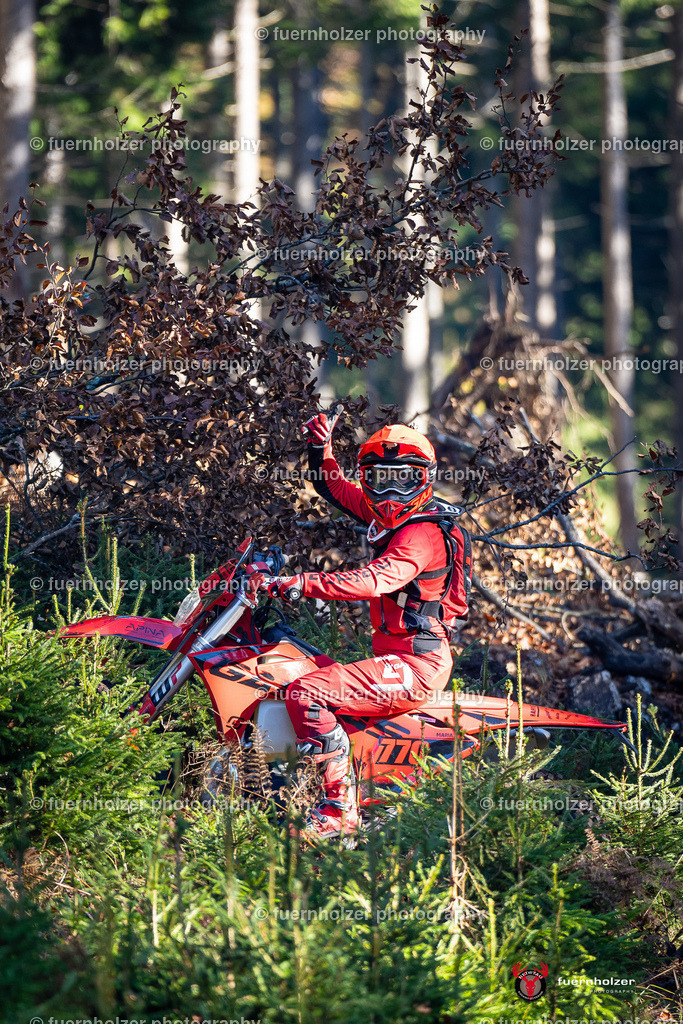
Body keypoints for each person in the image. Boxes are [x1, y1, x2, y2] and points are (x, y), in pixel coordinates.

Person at [249, 411, 469, 839]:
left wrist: (301, 583)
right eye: (379, 478)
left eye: (403, 479)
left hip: (418, 665)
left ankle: (338, 810)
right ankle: (295, 784)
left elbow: (374, 581)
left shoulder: (419, 535)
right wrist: (320, 447)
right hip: (394, 654)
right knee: (294, 665)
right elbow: (333, 487)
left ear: (424, 479)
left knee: (307, 692)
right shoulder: (387, 514)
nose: (389, 491)